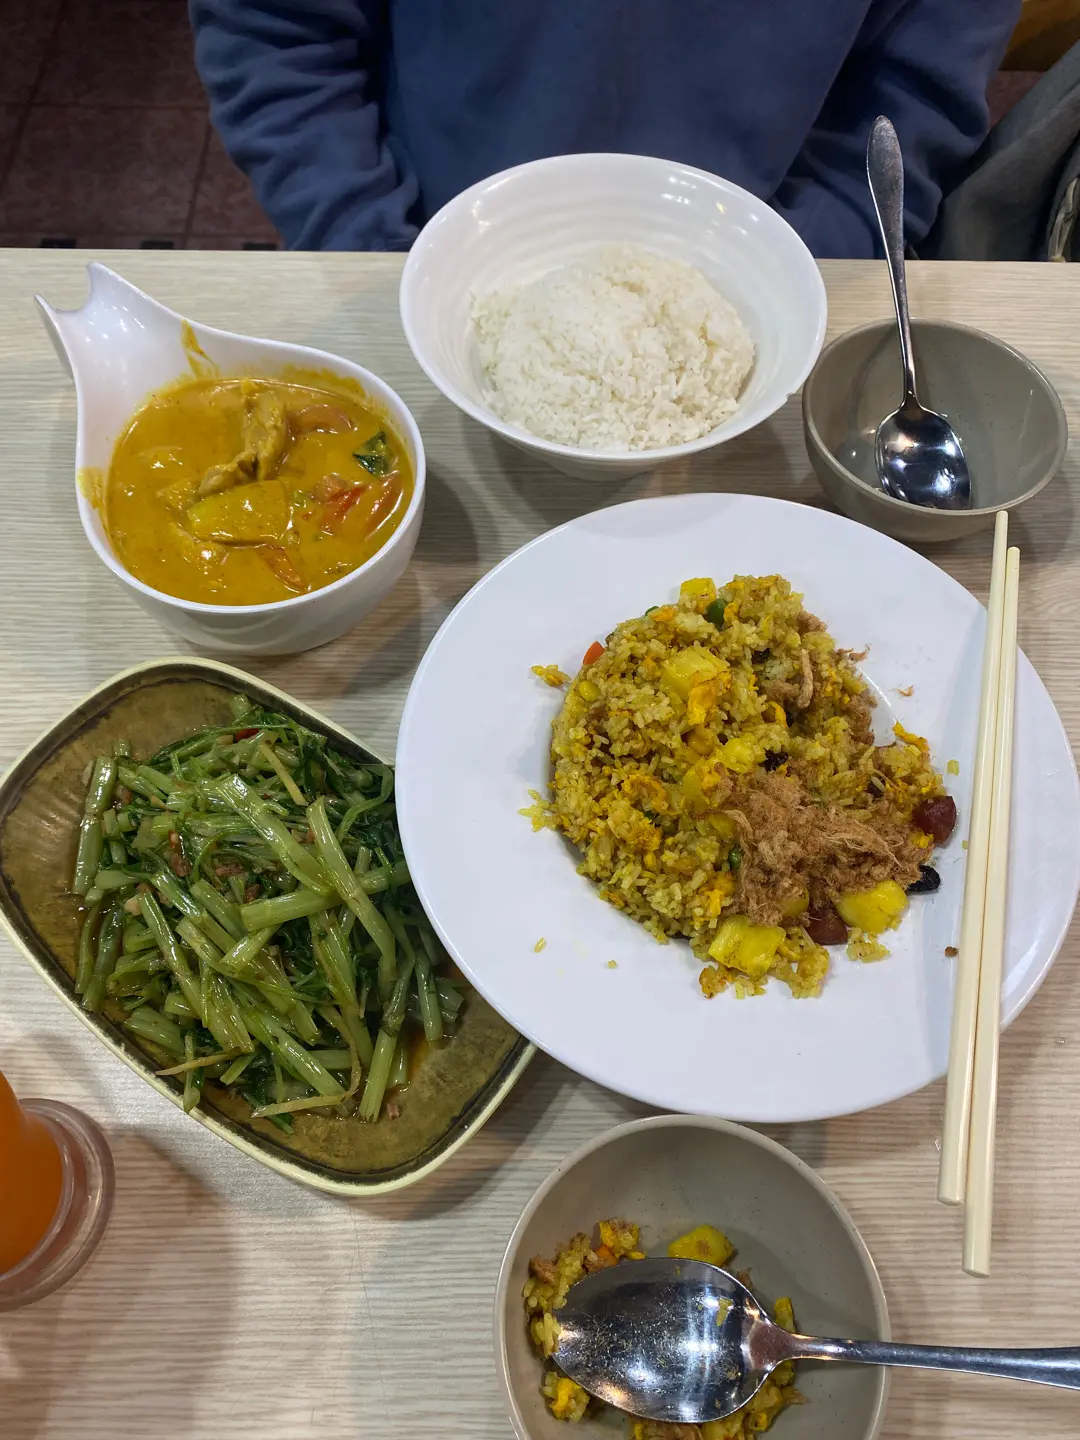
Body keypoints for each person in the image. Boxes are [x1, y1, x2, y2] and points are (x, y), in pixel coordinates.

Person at [190, 0, 1021, 258]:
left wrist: (777, 290)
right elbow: (276, 31)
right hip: (416, 246)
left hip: (766, 279)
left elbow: (908, 107)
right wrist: (380, 259)